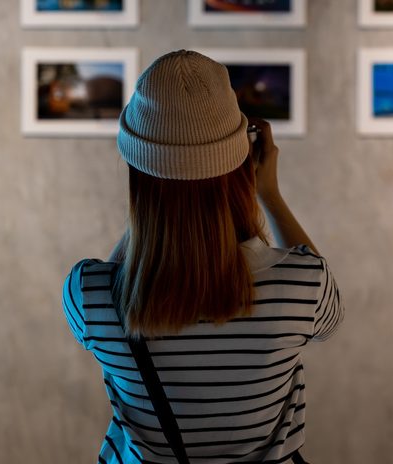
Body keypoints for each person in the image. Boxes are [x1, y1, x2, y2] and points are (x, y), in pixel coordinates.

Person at [61, 50, 344, 464]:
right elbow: (330, 319)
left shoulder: (90, 296)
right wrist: (269, 195)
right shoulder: (301, 285)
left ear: (137, 171)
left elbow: (123, 275)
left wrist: (160, 193)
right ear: (244, 162)